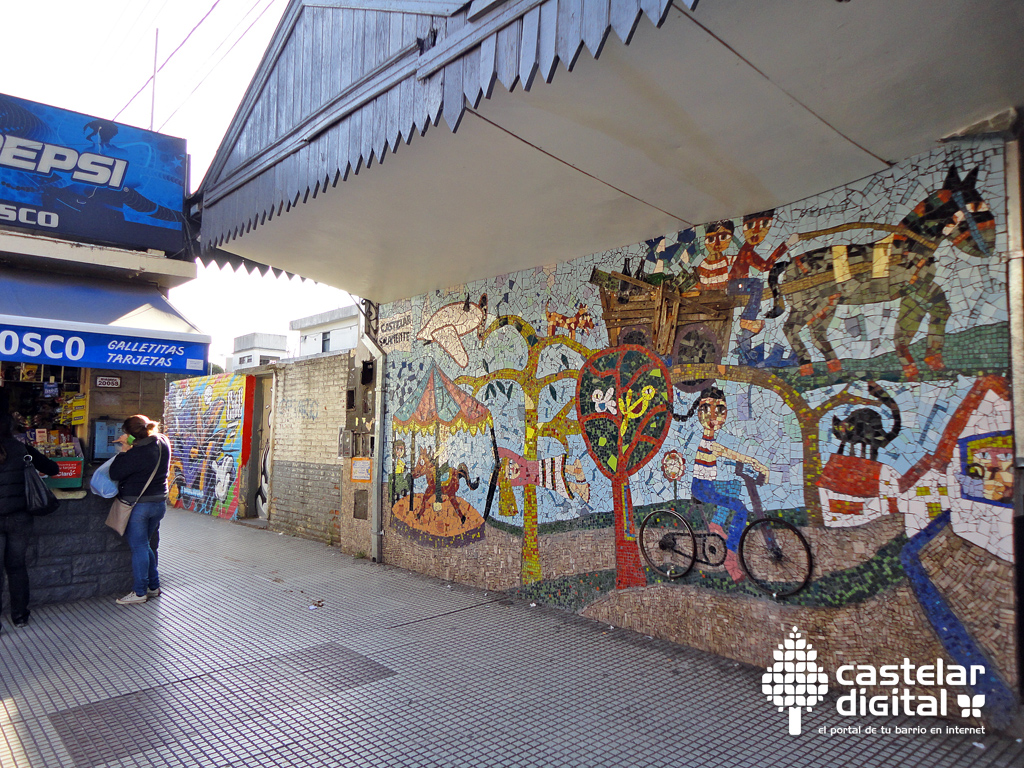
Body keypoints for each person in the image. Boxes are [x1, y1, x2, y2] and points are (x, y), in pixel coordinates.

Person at [674, 386, 769, 582]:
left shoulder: (710, 441)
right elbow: (732, 454)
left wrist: (748, 465)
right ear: (700, 413)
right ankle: (730, 557)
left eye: (720, 410)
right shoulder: (711, 444)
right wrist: (757, 464)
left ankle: (716, 524)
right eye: (707, 410)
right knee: (741, 509)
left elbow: (730, 456)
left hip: (706, 485)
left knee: (734, 486)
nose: (714, 417)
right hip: (702, 489)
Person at [0, 412, 59, 631]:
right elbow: (53, 468)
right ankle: (20, 617)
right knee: (16, 567)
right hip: (19, 518)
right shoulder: (21, 449)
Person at [108, 415, 171, 605]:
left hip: (138, 505)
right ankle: (153, 586)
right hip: (158, 503)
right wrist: (131, 440)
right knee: (146, 545)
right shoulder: (162, 442)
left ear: (129, 433)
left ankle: (140, 591)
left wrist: (124, 450)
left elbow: (115, 473)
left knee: (139, 547)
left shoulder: (135, 454)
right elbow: (144, 441)